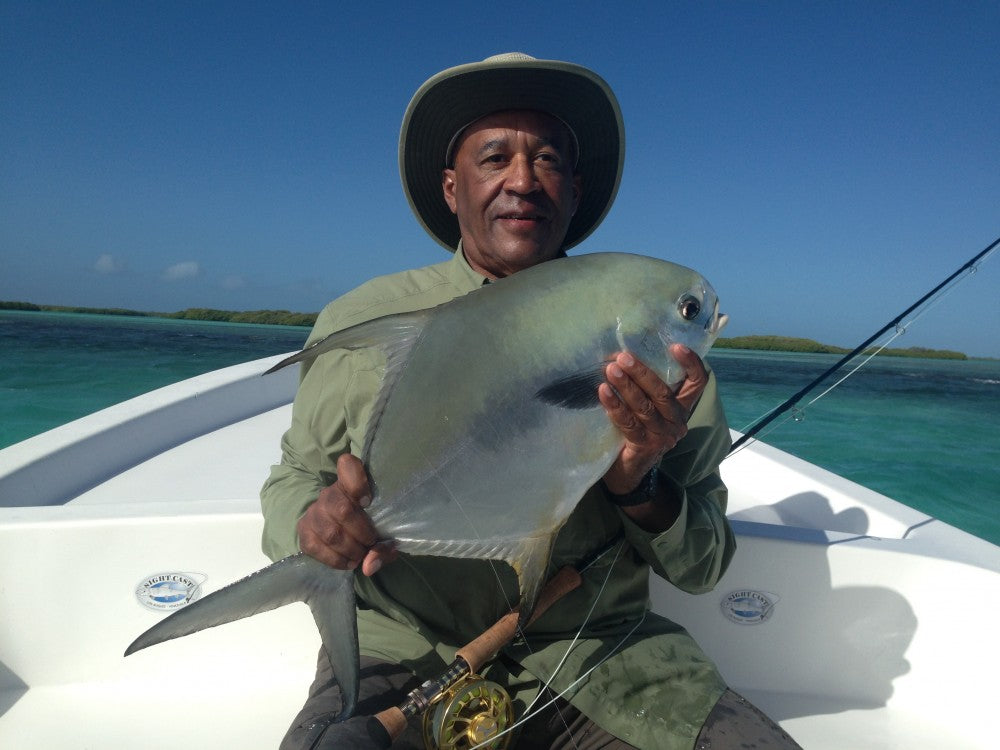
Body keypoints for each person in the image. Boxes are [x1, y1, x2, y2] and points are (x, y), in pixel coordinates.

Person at [260, 53, 800, 750]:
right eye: (494, 158)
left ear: (574, 191)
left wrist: (640, 484)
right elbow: (296, 479)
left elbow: (702, 565)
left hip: (606, 656)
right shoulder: (366, 321)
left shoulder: (670, 364)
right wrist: (314, 526)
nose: (522, 180)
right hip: (401, 652)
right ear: (452, 188)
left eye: (546, 161)